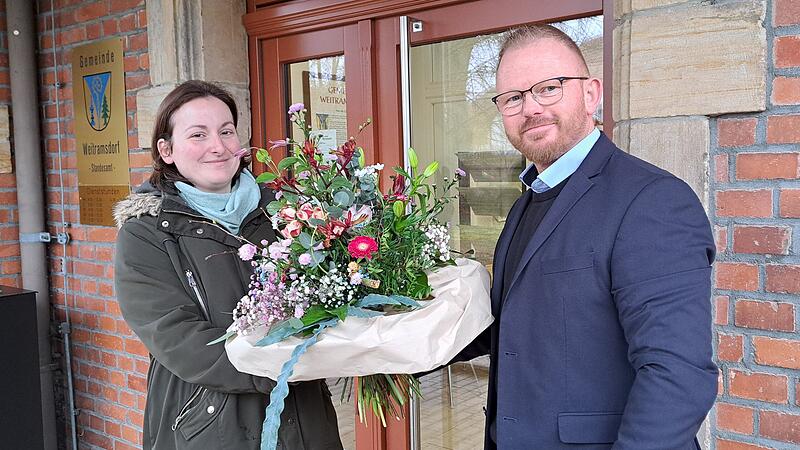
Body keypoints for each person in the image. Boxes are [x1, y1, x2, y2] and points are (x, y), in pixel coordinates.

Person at [472, 25, 718, 449]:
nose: (529, 108)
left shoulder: (651, 201)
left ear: (591, 94)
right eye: (512, 98)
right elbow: (516, 325)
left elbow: (677, 374)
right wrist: (392, 340)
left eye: (548, 88)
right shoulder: (527, 202)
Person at [113, 80, 343, 450]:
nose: (218, 146)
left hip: (303, 415)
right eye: (198, 135)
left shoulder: (287, 212)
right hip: (209, 422)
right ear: (166, 150)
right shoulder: (147, 233)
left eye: (226, 131)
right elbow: (177, 338)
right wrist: (285, 366)